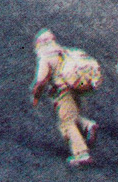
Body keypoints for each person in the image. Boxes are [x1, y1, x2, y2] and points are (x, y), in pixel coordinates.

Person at [31, 28, 102, 167]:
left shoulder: (45, 57)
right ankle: (87, 125)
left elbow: (41, 80)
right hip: (75, 87)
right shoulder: (64, 52)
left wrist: (36, 95)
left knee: (67, 122)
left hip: (62, 92)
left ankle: (81, 153)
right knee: (73, 116)